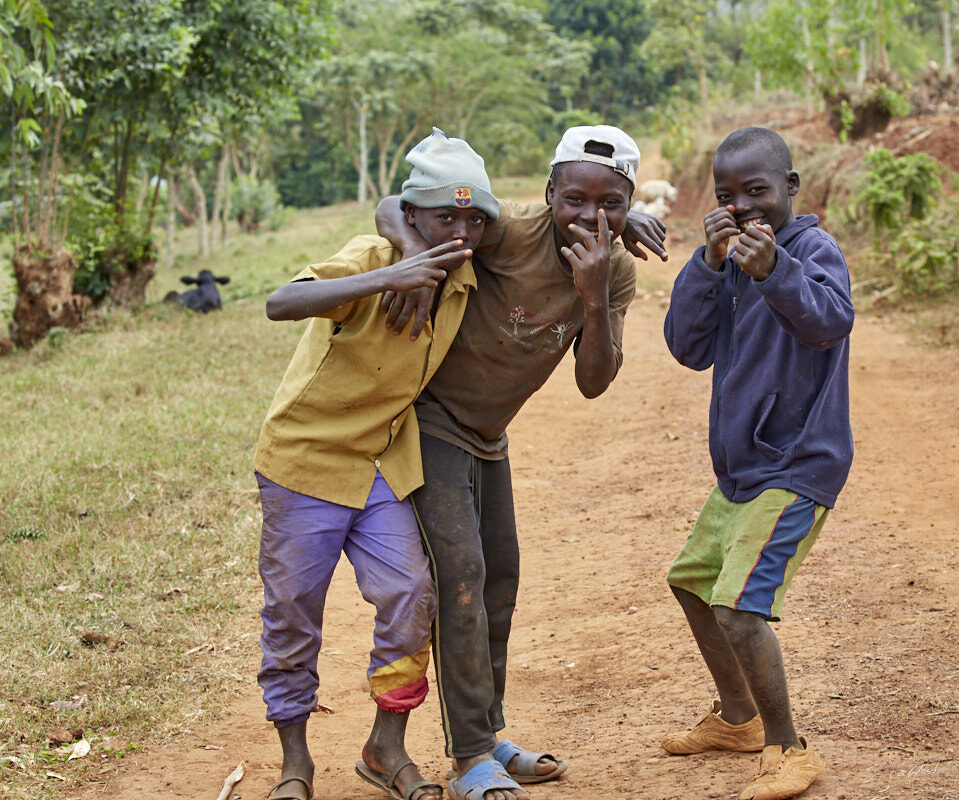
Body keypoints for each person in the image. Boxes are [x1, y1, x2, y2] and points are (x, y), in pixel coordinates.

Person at [375, 125, 668, 800]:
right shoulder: (507, 230)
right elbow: (395, 206)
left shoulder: (614, 271)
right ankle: (471, 753)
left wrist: (592, 295)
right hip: (431, 420)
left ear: (626, 207)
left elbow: (593, 381)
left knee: (499, 579)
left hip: (488, 434)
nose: (588, 217)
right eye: (573, 199)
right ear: (547, 193)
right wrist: (415, 254)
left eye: (610, 205)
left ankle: (490, 729)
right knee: (461, 580)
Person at [252, 128, 498, 800]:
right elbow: (280, 302)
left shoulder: (469, 273)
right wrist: (392, 272)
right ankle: (294, 761)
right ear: (412, 219)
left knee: (410, 593)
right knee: (293, 612)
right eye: (443, 217)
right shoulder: (371, 254)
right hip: (303, 461)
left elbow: (547, 217)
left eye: (474, 219)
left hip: (382, 464)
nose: (460, 231)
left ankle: (384, 746)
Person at [661, 126, 854, 800]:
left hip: (798, 462)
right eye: (726, 196)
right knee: (691, 583)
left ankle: (787, 747)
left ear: (791, 189)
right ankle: (738, 719)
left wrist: (774, 270)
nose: (744, 208)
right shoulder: (727, 264)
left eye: (757, 192)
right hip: (741, 469)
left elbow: (828, 320)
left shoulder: (810, 251)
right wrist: (707, 265)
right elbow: (687, 347)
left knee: (739, 608)